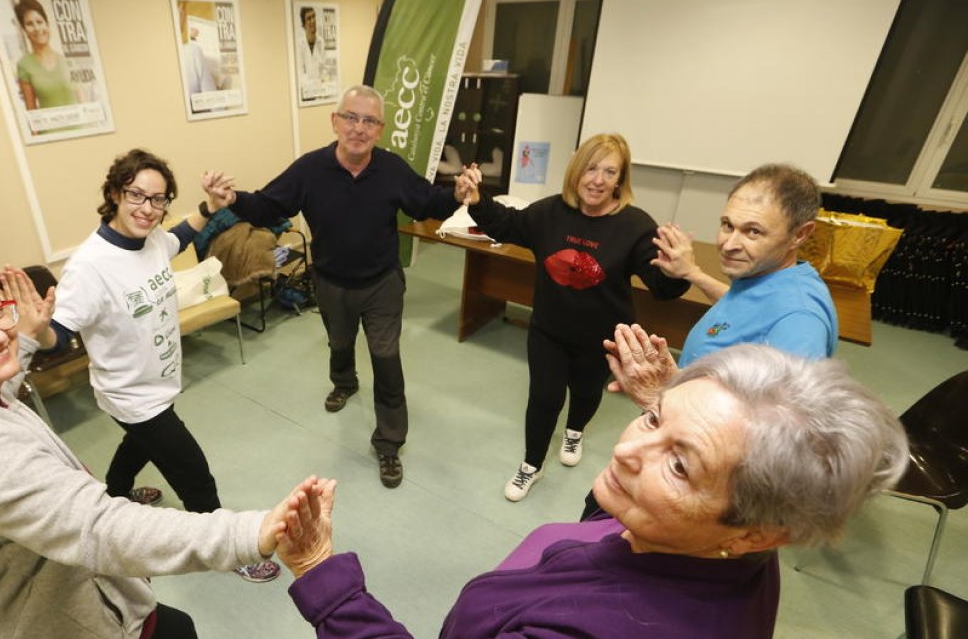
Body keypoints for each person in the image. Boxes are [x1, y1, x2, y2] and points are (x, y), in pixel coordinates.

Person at [271, 344, 909, 638]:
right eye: (653, 418)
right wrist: (676, 420)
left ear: (758, 532)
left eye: (680, 465)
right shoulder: (731, 548)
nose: (627, 448)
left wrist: (324, 576)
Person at [0, 245, 304, 638]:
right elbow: (99, 527)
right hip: (60, 618)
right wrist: (253, 533)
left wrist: (21, 339)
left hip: (82, 593)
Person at [219, 84, 473, 489]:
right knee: (340, 341)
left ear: (380, 129)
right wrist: (233, 198)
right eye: (351, 117)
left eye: (369, 120)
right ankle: (345, 382)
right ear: (335, 121)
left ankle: (388, 442)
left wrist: (456, 195)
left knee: (386, 356)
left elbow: (426, 203)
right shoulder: (309, 169)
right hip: (331, 281)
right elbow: (269, 206)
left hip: (382, 282)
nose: (359, 127)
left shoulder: (390, 168)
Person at [47, 148, 280, 583]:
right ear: (115, 193)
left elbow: (182, 235)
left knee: (138, 445)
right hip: (132, 395)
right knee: (194, 473)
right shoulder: (89, 266)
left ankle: (113, 495)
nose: (148, 209)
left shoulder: (151, 240)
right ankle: (228, 551)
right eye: (137, 195)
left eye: (158, 200)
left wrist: (211, 206)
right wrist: (35, 330)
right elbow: (57, 335)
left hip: (157, 387)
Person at [457, 133, 690, 501]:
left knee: (584, 392)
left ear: (620, 180)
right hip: (549, 329)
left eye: (609, 171)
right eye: (591, 168)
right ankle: (531, 465)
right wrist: (477, 201)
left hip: (602, 336)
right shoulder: (550, 212)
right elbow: (507, 224)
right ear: (576, 171)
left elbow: (662, 287)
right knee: (544, 398)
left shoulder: (634, 225)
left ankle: (575, 430)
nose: (597, 179)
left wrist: (678, 271)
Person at [606, 162, 837, 411]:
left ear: (800, 234)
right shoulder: (770, 279)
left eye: (753, 232)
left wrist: (663, 397)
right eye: (728, 225)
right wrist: (692, 273)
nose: (728, 245)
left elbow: (787, 426)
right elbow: (750, 309)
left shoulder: (800, 320)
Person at [13, 0, 77, 110]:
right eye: (29, 24)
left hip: (82, 126)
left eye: (39, 22)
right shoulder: (23, 65)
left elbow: (83, 100)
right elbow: (31, 111)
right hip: (50, 127)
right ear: (24, 30)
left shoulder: (68, 59)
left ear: (47, 23)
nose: (37, 28)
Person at [296, 6, 325, 100]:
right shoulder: (299, 45)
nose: (312, 21)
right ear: (304, 25)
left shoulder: (321, 42)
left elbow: (324, 70)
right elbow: (301, 74)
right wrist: (314, 85)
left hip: (320, 94)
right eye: (308, 18)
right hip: (307, 95)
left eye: (313, 17)